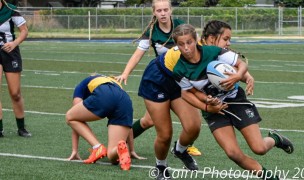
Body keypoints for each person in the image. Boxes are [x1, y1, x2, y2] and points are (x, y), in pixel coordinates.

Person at [171, 24, 294, 180]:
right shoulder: (179, 70)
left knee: (259, 148)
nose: (186, 48)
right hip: (215, 111)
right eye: (181, 44)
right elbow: (187, 93)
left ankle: (276, 139)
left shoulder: (213, 52)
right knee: (232, 153)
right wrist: (207, 106)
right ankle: (270, 178)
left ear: (195, 40)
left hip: (236, 100)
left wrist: (239, 76)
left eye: (189, 42)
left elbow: (241, 64)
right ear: (177, 45)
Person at [116, 0, 202, 158]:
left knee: (192, 121)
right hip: (159, 80)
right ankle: (121, 143)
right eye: (159, 10)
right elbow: (137, 55)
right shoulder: (151, 31)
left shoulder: (181, 26)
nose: (162, 13)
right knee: (148, 121)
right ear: (154, 13)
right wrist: (125, 73)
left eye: (165, 10)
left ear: (170, 11)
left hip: (180, 80)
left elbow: (197, 47)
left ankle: (184, 146)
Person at [66, 74, 132, 170]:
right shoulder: (111, 81)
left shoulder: (81, 86)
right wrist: (132, 150)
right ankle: (119, 149)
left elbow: (75, 117)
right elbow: (129, 126)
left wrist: (75, 150)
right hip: (125, 100)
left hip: (105, 95)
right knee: (112, 157)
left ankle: (97, 147)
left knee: (69, 116)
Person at [0, 0, 30, 137]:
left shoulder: (10, 10)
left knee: (15, 93)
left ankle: (21, 127)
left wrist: (14, 43)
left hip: (10, 53)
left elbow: (24, 31)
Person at [200, 20, 254, 96]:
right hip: (211, 102)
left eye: (229, 40)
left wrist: (247, 77)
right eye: (225, 39)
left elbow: (241, 65)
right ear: (211, 38)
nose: (229, 43)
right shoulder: (197, 53)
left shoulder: (222, 54)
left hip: (232, 98)